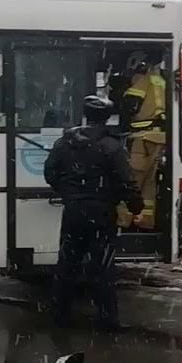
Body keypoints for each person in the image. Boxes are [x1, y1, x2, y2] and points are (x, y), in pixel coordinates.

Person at [44, 95, 142, 330]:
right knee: (103, 267)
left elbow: (50, 173)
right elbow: (126, 181)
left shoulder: (65, 142)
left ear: (86, 114)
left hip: (74, 212)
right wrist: (135, 206)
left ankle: (60, 316)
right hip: (101, 214)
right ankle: (107, 320)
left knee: (67, 264)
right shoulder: (111, 146)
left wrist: (69, 192)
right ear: (107, 118)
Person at [117, 50, 167, 230]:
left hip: (141, 139)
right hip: (160, 139)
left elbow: (130, 106)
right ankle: (145, 222)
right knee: (150, 185)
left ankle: (123, 222)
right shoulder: (161, 81)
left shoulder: (142, 80)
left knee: (132, 181)